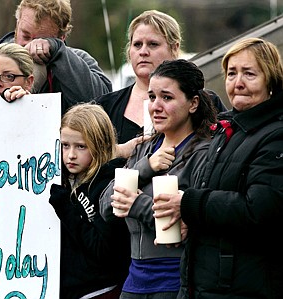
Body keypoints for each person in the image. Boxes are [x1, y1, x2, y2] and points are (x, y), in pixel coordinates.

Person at [152, 37, 283, 298]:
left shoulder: (276, 134)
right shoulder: (227, 130)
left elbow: (259, 209)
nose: (238, 83)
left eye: (249, 73)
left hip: (246, 288)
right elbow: (217, 202)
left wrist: (188, 203)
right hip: (207, 285)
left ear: (271, 80)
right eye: (232, 73)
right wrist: (193, 220)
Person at [99, 59, 217, 299]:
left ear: (193, 103)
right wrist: (145, 168)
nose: (156, 106)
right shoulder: (144, 149)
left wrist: (138, 205)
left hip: (176, 283)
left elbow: (186, 226)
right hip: (133, 283)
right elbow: (106, 208)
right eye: (152, 97)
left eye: (167, 98)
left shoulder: (205, 153)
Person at [91, 10, 225, 157]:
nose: (143, 52)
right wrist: (119, 151)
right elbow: (82, 160)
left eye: (153, 44)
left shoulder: (205, 102)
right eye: (137, 44)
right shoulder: (104, 106)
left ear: (174, 48)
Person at [0, 0, 111, 113]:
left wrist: (58, 53)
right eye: (25, 35)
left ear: (61, 38)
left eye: (41, 39)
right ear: (17, 25)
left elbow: (103, 104)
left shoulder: (80, 61)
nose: (30, 46)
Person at [49, 102, 130, 299]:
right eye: (65, 146)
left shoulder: (110, 185)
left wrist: (67, 209)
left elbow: (104, 250)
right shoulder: (60, 178)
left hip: (101, 290)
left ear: (99, 144)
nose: (71, 155)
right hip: (66, 289)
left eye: (81, 147)